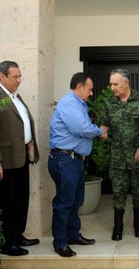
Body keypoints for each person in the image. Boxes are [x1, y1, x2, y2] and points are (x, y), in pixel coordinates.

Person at [0, 61, 40, 256]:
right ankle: (7, 242)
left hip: (21, 157)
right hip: (5, 161)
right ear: (2, 76)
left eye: (20, 76)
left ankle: (17, 235)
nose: (19, 80)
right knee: (7, 203)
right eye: (15, 77)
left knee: (21, 200)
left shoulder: (16, 97)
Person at [48, 72, 107, 257]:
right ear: (79, 87)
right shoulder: (69, 103)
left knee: (75, 202)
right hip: (65, 160)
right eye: (89, 89)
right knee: (65, 203)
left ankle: (73, 235)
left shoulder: (78, 104)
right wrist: (99, 131)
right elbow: (80, 128)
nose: (91, 93)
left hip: (74, 161)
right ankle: (60, 243)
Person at [103, 69, 139, 241]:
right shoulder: (109, 103)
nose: (112, 87)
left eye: (115, 84)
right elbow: (104, 126)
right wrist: (98, 132)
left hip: (138, 155)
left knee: (138, 191)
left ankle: (138, 224)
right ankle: (118, 227)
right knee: (118, 192)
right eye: (111, 84)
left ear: (126, 83)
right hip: (118, 157)